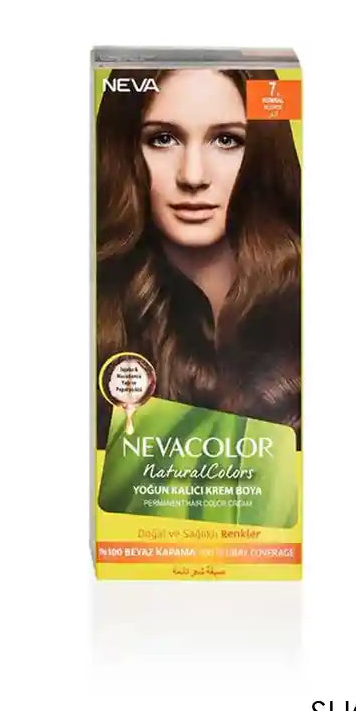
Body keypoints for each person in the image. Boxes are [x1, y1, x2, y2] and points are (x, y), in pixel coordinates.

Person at [95, 67, 301, 448]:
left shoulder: (301, 312)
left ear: (263, 153)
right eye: (163, 139)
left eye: (226, 140)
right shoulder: (101, 321)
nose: (193, 176)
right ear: (125, 150)